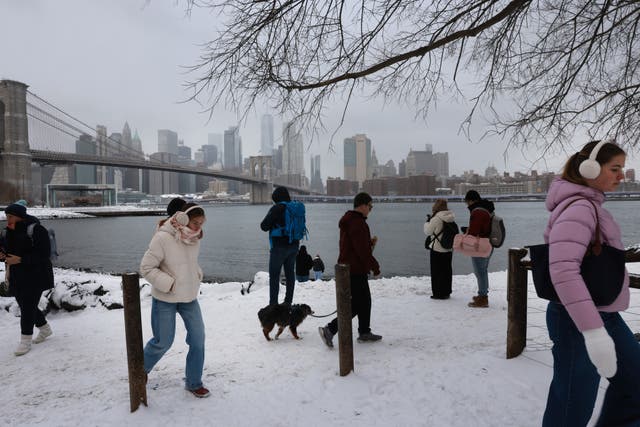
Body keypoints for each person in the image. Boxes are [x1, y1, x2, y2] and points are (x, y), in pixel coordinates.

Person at [541, 140, 640, 426]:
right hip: (578, 320)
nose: (622, 176)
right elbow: (563, 270)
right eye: (615, 168)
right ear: (590, 168)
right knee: (572, 404)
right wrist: (594, 333)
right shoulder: (580, 208)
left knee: (635, 385)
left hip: (602, 313)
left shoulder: (590, 205)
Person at [139, 203, 210, 398]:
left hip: (189, 297)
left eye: (201, 224)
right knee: (163, 342)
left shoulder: (195, 239)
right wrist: (169, 284)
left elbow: (191, 263)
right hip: (165, 297)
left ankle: (194, 382)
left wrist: (196, 274)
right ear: (184, 218)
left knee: (198, 340)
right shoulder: (162, 238)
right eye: (195, 223)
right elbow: (146, 268)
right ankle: (139, 371)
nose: (198, 228)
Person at [319, 192, 382, 347]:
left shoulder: (353, 221)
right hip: (355, 270)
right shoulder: (357, 223)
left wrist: (369, 243)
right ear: (363, 205)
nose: (370, 210)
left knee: (364, 302)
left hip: (350, 268)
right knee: (358, 304)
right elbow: (362, 251)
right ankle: (330, 329)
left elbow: (357, 247)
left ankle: (364, 331)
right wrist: (375, 267)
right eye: (370, 206)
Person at [1, 203, 54, 356]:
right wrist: (2, 256)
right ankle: (45, 329)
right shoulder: (6, 232)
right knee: (25, 305)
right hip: (17, 276)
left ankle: (25, 340)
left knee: (28, 306)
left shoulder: (36, 229)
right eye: (7, 216)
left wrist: (21, 260)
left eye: (10, 216)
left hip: (36, 275)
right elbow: (4, 249)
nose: (8, 219)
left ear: (20, 216)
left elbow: (44, 254)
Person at [260, 187, 300, 306]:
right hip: (294, 245)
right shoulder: (294, 207)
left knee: (274, 276)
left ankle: (273, 306)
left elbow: (264, 226)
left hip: (279, 248)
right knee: (290, 274)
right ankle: (288, 302)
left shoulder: (277, 208)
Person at [462, 190, 494, 308]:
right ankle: (483, 294)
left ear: (471, 200)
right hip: (488, 243)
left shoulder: (478, 211)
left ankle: (483, 298)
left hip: (480, 245)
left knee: (480, 272)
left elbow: (475, 231)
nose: (467, 205)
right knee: (483, 270)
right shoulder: (486, 208)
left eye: (467, 202)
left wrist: (467, 231)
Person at [423, 199, 455, 299]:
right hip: (448, 248)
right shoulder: (451, 217)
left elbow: (428, 232)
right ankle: (446, 291)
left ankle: (438, 293)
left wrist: (426, 223)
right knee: (447, 271)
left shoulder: (436, 218)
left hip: (437, 248)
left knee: (437, 272)